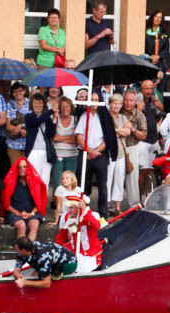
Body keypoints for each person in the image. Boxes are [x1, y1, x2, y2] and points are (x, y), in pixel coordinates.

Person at [76, 91, 118, 219]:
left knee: (102, 186)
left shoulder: (104, 116)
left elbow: (108, 137)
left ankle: (102, 214)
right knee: (83, 185)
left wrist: (96, 151)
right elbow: (79, 137)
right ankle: (83, 212)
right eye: (91, 99)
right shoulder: (84, 116)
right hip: (85, 154)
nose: (94, 102)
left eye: (96, 99)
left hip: (100, 154)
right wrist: (89, 151)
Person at [2, 157, 48, 241]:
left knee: (34, 225)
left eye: (24, 167)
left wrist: (31, 214)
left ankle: (28, 250)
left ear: (28, 168)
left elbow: (39, 203)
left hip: (32, 213)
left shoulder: (35, 182)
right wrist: (18, 213)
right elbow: (6, 205)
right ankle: (21, 250)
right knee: (21, 225)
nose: (22, 169)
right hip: (15, 213)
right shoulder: (10, 182)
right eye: (19, 167)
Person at [55, 193, 102, 271]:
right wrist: (56, 250)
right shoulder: (65, 217)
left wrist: (85, 211)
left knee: (82, 270)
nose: (68, 210)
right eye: (68, 207)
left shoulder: (92, 215)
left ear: (78, 208)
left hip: (89, 253)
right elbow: (61, 236)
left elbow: (97, 226)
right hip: (73, 251)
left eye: (71, 208)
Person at [49, 96, 78, 192]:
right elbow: (54, 137)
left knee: (70, 182)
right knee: (57, 181)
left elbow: (75, 140)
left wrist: (60, 139)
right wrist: (69, 138)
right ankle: (57, 202)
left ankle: (69, 202)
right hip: (58, 155)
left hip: (72, 155)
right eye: (62, 107)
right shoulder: (56, 119)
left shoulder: (75, 120)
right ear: (60, 108)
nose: (65, 109)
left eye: (67, 106)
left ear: (71, 107)